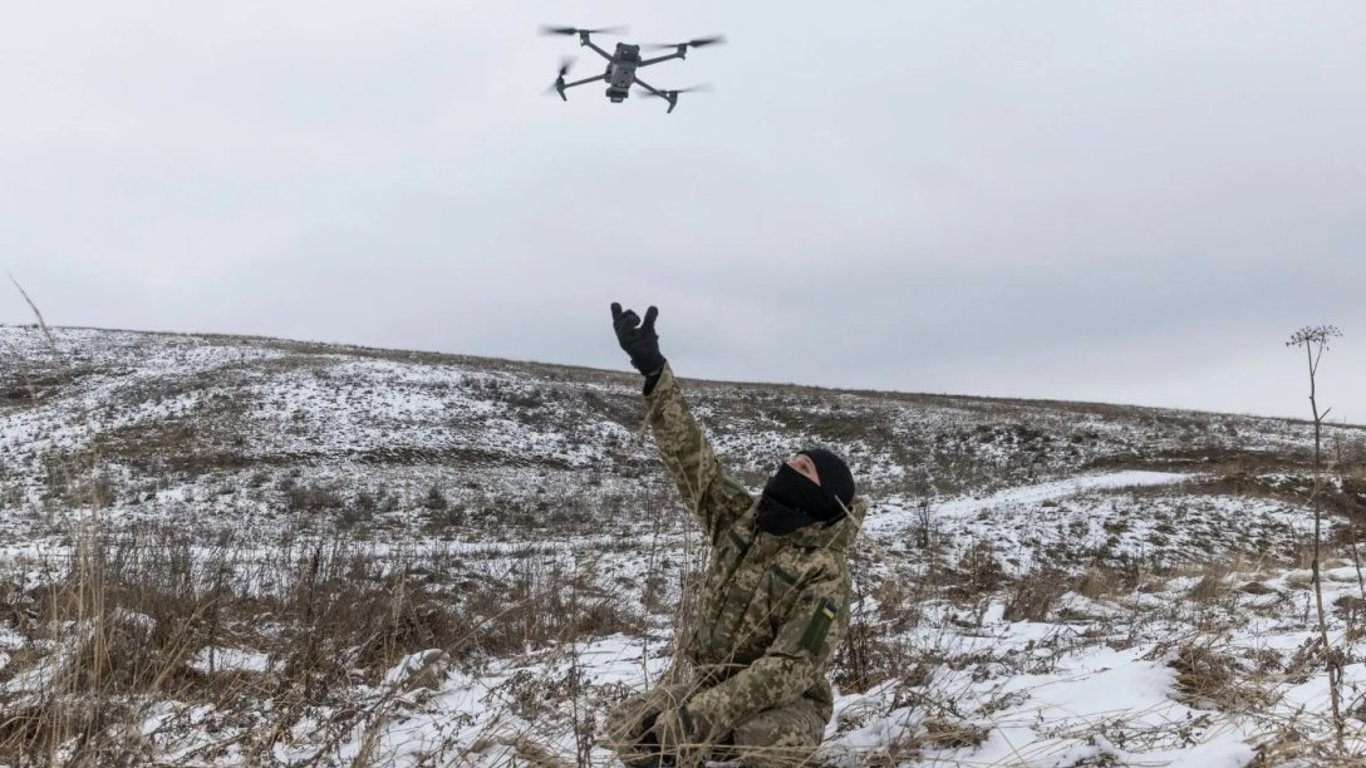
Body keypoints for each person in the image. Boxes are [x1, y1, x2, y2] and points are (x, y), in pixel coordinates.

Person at [603, 303, 865, 768]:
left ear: (824, 501)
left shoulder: (826, 575)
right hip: (709, 688)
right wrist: (653, 370)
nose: (787, 468)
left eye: (803, 469)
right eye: (791, 460)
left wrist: (693, 722)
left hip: (785, 707)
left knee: (760, 738)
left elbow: (788, 670)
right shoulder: (741, 520)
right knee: (627, 723)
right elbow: (691, 460)